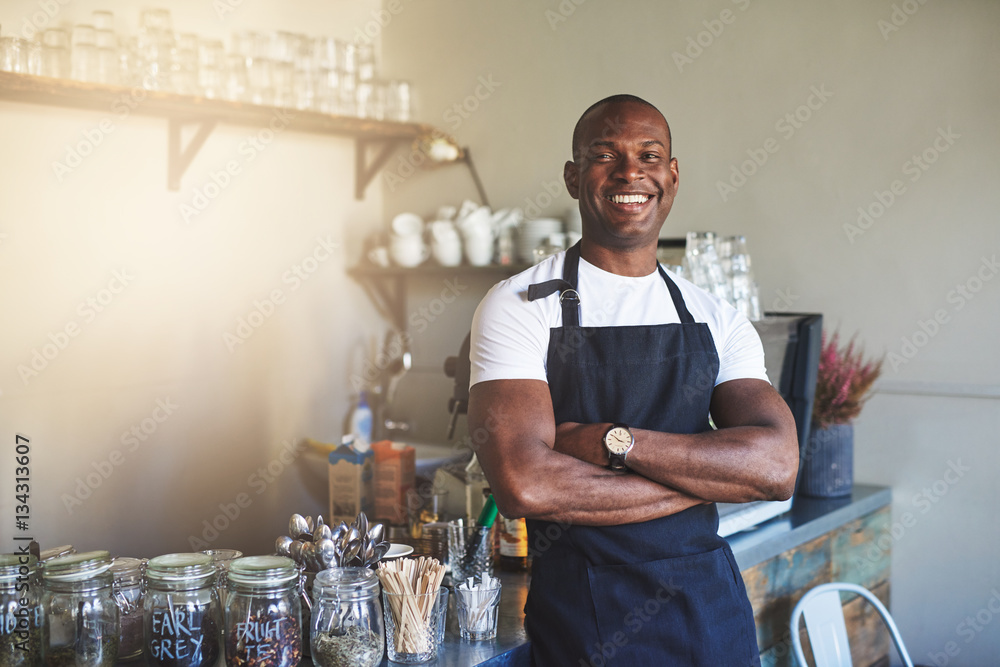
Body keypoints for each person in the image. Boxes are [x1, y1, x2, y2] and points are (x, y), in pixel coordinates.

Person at [466, 94, 799, 665]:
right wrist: (708, 477)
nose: (630, 172)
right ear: (573, 178)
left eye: (650, 155)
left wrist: (610, 442)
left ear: (672, 175)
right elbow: (525, 486)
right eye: (604, 155)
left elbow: (775, 467)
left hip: (711, 615)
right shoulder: (520, 305)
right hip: (585, 622)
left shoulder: (714, 317)